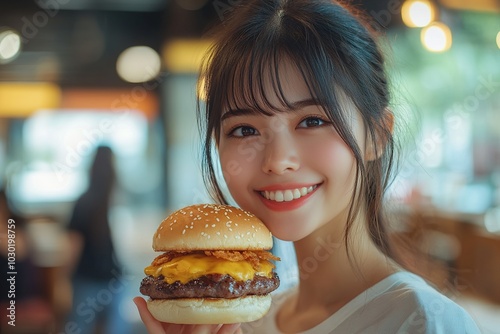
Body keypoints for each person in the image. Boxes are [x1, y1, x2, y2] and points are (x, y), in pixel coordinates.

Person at [134, 0, 481, 333]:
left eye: (313, 121)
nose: (277, 161)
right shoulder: (238, 322)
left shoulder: (425, 322)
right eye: (244, 129)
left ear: (377, 135)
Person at [66, 145, 129, 334]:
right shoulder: (115, 202)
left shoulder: (83, 202)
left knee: (79, 328)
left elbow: (72, 247)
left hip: (87, 280)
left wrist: (63, 281)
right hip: (113, 281)